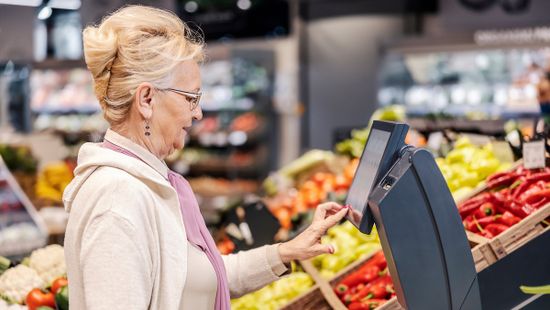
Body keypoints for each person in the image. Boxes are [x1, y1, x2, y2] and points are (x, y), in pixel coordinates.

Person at [63, 5, 350, 310]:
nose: (197, 112)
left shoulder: (145, 183)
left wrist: (286, 253)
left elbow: (198, 277)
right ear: (147, 99)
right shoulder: (117, 198)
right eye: (191, 98)